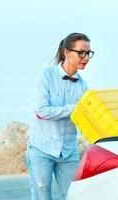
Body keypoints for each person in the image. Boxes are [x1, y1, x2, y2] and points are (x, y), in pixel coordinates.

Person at [25, 32, 94, 200]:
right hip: (41, 148)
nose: (85, 58)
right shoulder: (46, 76)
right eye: (81, 53)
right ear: (66, 53)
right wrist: (75, 108)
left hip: (68, 152)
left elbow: (84, 120)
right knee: (41, 196)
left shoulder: (83, 86)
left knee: (73, 195)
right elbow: (42, 111)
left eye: (89, 53)